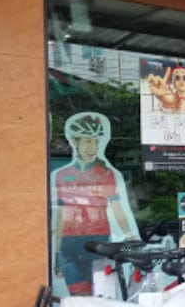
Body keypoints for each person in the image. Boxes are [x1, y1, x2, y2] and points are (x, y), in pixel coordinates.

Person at [50, 112, 139, 296]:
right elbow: (60, 217)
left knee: (99, 300)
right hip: (69, 246)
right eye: (87, 141)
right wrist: (57, 254)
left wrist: (131, 237)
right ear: (75, 142)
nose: (93, 147)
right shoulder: (61, 175)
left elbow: (117, 209)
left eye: (96, 141)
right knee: (79, 303)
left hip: (98, 245)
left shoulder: (106, 174)